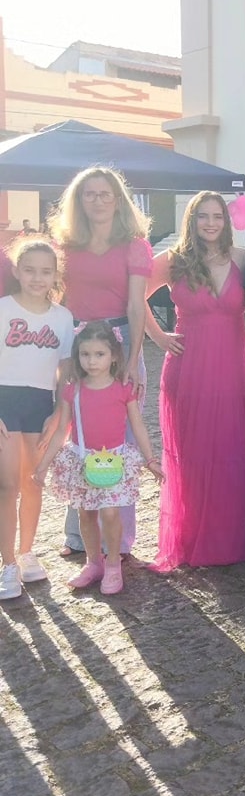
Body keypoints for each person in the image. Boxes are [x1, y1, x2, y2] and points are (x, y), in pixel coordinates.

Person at [146, 192, 245, 569]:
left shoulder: (243, 259)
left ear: (226, 221)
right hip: (188, 371)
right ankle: (193, 533)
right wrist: (157, 336)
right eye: (203, 216)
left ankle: (227, 535)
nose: (210, 223)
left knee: (229, 452)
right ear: (191, 220)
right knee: (194, 456)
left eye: (217, 216)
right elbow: (134, 295)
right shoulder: (174, 260)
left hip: (230, 370)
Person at [49, 167, 152, 557]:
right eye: (89, 194)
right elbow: (55, 300)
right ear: (79, 201)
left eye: (105, 193)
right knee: (76, 436)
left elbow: (136, 306)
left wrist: (133, 360)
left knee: (120, 441)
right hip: (77, 346)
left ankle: (118, 539)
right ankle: (78, 535)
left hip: (119, 343)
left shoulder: (134, 246)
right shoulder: (64, 246)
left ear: (118, 200)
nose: (97, 200)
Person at [34, 321, 163, 595]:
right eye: (85, 354)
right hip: (82, 461)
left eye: (99, 354)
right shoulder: (72, 390)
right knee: (86, 513)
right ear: (78, 355)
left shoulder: (123, 389)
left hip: (114, 460)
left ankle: (113, 563)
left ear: (113, 355)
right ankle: (93, 563)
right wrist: (43, 466)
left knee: (111, 512)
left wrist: (151, 459)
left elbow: (138, 426)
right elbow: (62, 431)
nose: (92, 361)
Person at [0, 239, 74, 599]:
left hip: (40, 405)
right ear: (16, 270)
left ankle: (27, 553)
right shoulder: (3, 309)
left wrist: (59, 411)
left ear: (55, 275)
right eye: (29, 270)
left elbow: (65, 370)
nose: (37, 277)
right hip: (4, 403)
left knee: (33, 482)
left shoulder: (62, 317)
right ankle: (7, 564)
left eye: (45, 271)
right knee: (6, 485)